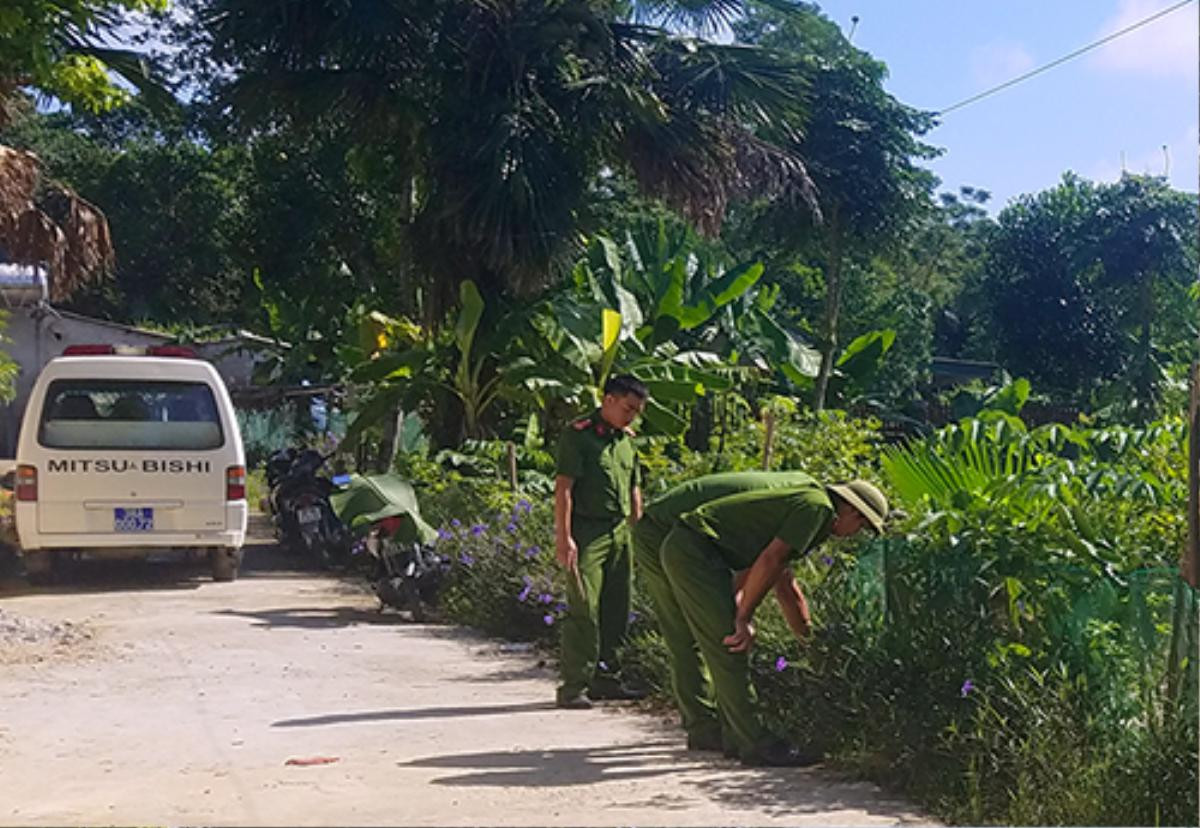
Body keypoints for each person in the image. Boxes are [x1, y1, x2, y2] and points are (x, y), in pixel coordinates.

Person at [659, 477, 888, 766]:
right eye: (863, 527)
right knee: (731, 643)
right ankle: (756, 744)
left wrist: (808, 643)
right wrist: (742, 618)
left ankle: (735, 736)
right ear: (853, 512)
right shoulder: (817, 510)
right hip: (694, 551)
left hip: (696, 550)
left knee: (726, 636)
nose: (857, 534)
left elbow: (775, 576)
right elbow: (770, 561)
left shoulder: (812, 505)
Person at [631, 471, 821, 754]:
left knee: (716, 626)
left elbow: (757, 564)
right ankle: (706, 727)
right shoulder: (807, 508)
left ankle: (720, 727)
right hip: (663, 530)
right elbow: (782, 581)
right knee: (688, 631)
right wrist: (811, 648)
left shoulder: (796, 495)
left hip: (689, 533)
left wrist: (734, 611)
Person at [553, 374, 649, 709]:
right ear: (608, 399)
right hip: (587, 531)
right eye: (628, 408)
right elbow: (564, 488)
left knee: (617, 607)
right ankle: (573, 686)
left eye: (637, 411)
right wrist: (564, 538)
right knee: (585, 607)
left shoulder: (626, 441)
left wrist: (641, 533)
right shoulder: (578, 436)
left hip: (620, 532)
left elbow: (635, 489)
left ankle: (607, 678)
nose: (632, 416)